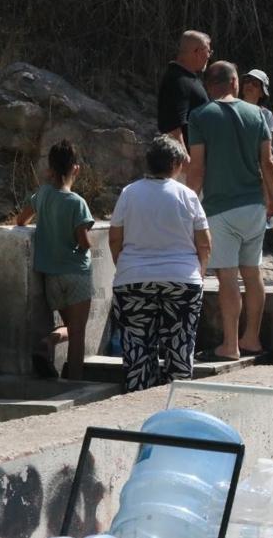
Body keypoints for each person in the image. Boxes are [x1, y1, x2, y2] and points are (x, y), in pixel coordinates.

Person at [187, 61, 273, 360]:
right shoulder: (257, 114)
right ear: (234, 83)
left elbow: (198, 168)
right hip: (254, 205)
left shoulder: (200, 116)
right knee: (253, 274)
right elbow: (268, 162)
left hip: (219, 208)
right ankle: (251, 338)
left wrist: (189, 204)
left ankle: (230, 345)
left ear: (208, 86)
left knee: (228, 277)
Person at [108, 136, 211, 391]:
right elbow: (205, 243)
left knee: (137, 350)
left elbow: (114, 238)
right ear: (175, 163)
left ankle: (138, 410)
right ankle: (175, 413)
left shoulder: (129, 193)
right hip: (182, 279)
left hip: (133, 279)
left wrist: (124, 267)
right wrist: (200, 273)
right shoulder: (187, 195)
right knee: (180, 346)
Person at [15, 140, 94, 381]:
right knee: (78, 332)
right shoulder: (77, 202)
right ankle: (75, 385)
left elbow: (21, 221)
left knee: (71, 325)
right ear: (76, 169)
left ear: (49, 168)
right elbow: (83, 241)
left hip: (51, 276)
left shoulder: (41, 195)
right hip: (76, 273)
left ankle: (49, 341)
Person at [240, 68, 273, 257]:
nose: (250, 85)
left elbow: (268, 145)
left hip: (258, 160)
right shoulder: (231, 108)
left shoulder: (266, 115)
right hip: (238, 161)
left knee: (268, 184)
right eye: (248, 81)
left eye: (255, 83)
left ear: (262, 91)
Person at [157, 30, 212, 154]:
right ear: (197, 52)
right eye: (208, 51)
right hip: (186, 165)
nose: (209, 56)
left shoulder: (187, 78)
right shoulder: (178, 80)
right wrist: (187, 163)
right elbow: (173, 127)